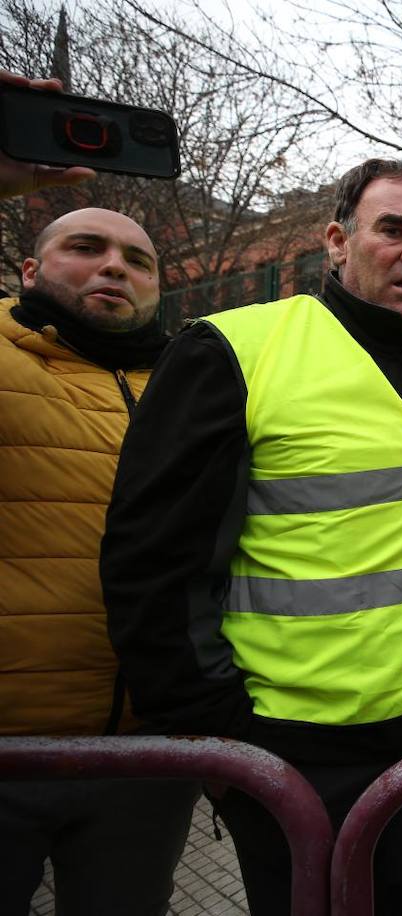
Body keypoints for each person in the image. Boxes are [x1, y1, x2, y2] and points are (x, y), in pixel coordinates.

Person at [101, 158, 402, 915]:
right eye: (394, 229)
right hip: (290, 741)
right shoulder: (232, 350)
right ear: (337, 242)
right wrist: (217, 735)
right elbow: (150, 563)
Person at [0, 75, 199, 909]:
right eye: (86, 248)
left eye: (138, 260)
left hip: (145, 756)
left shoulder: (195, 389)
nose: (114, 266)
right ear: (29, 266)